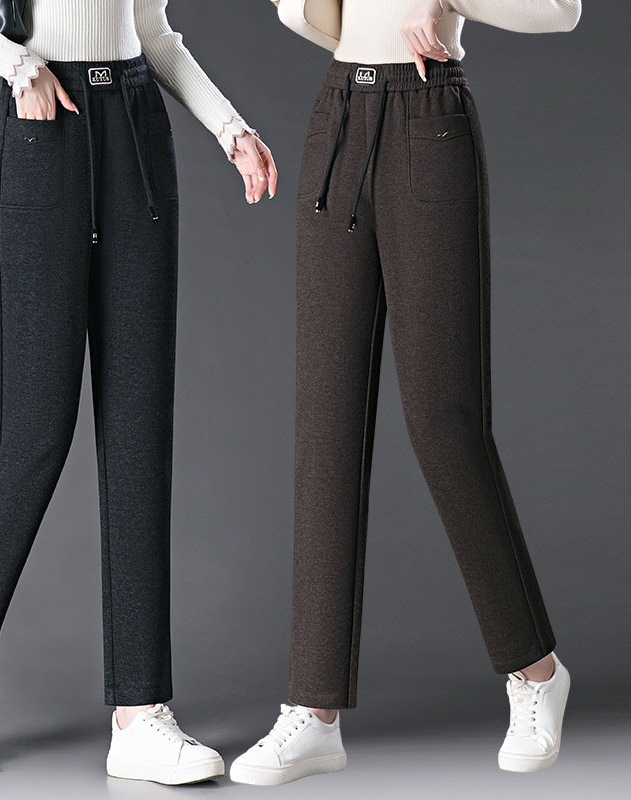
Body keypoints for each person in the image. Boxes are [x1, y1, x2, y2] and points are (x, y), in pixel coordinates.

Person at [0, 0, 277, 785]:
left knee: (140, 431)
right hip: (45, 130)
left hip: (136, 127)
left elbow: (153, 34)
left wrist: (229, 126)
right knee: (33, 429)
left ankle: (141, 713)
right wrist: (16, 64)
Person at [229, 0, 580, 785]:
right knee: (325, 424)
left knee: (444, 420)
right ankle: (313, 709)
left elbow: (561, 11)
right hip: (339, 113)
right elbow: (309, 18)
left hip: (429, 119)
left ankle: (537, 672)